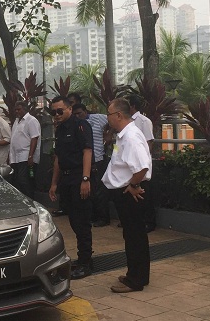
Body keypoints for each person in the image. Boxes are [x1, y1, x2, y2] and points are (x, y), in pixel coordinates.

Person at [102, 98, 152, 293]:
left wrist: (132, 185)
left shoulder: (131, 136)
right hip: (127, 190)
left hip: (131, 192)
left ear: (119, 115)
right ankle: (137, 274)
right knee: (133, 235)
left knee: (135, 236)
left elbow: (141, 167)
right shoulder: (124, 135)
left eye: (109, 114)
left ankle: (135, 280)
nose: (108, 118)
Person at [48, 97, 93, 279]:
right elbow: (58, 158)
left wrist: (85, 179)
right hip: (66, 179)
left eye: (60, 111)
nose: (57, 115)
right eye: (54, 112)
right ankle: (82, 259)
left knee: (82, 221)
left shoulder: (80, 125)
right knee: (73, 220)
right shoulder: (59, 130)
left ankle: (86, 262)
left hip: (78, 177)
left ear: (69, 109)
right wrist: (54, 183)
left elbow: (87, 151)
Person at [72, 103, 110, 227]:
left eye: (80, 113)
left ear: (85, 111)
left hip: (98, 159)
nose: (78, 116)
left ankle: (103, 217)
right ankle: (93, 216)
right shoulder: (76, 125)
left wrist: (109, 133)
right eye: (75, 114)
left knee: (100, 191)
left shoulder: (97, 118)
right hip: (85, 161)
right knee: (90, 191)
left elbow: (112, 120)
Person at [127, 95, 156, 231]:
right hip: (129, 164)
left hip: (142, 165)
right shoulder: (127, 121)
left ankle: (149, 222)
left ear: (132, 106)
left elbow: (149, 142)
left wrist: (143, 161)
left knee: (145, 193)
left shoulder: (144, 121)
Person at [8, 101, 41, 199]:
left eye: (19, 109)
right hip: (16, 157)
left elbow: (34, 138)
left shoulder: (31, 120)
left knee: (24, 181)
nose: (17, 112)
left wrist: (30, 156)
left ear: (25, 109)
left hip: (26, 156)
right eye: (16, 110)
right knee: (18, 181)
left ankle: (31, 201)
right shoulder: (17, 121)